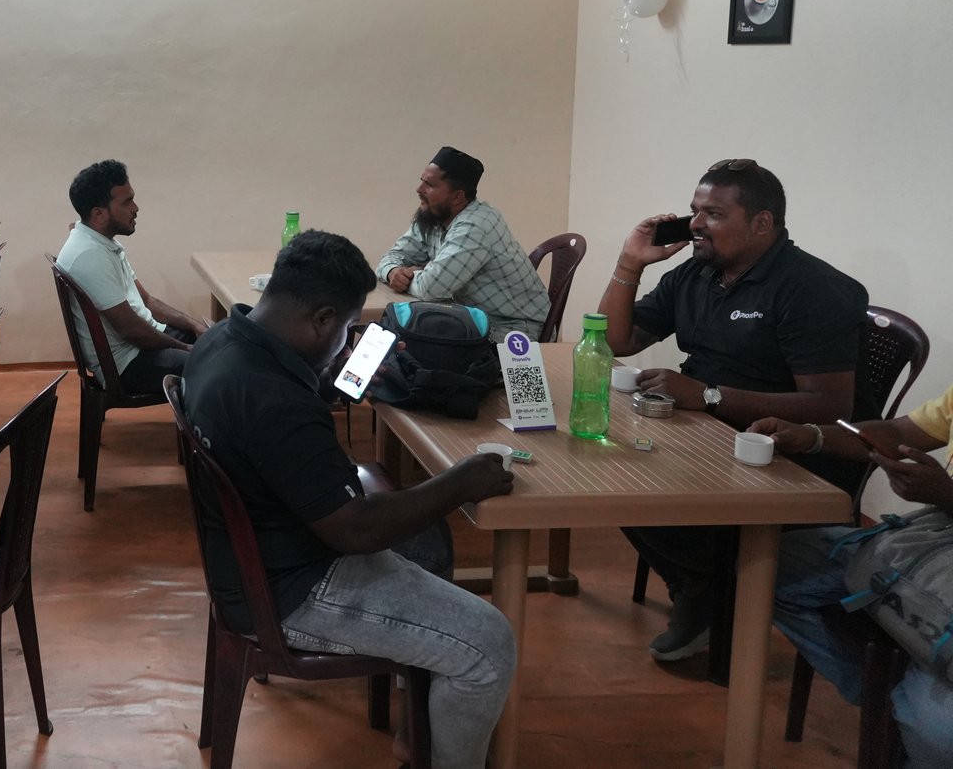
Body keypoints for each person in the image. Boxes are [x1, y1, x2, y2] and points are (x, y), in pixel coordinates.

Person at [184, 229, 517, 769]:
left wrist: (329, 379)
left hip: (254, 557)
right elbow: (355, 529)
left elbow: (274, 438)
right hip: (289, 590)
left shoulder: (224, 341)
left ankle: (419, 729)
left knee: (427, 544)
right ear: (321, 319)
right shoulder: (274, 402)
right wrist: (459, 483)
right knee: (488, 643)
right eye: (344, 327)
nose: (347, 339)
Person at [598, 158, 872, 661]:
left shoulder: (811, 288)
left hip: (780, 451)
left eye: (714, 214)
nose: (696, 224)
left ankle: (708, 591)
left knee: (634, 483)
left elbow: (829, 407)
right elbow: (618, 341)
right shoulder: (698, 273)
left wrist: (708, 395)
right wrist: (629, 264)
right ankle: (703, 586)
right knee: (608, 468)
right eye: (694, 211)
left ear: (761, 223)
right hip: (705, 429)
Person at [753, 393, 953, 767]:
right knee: (767, 564)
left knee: (942, 734)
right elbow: (899, 432)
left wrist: (947, 494)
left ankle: (905, 709)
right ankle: (884, 700)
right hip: (930, 540)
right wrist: (811, 436)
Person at [56, 159, 208, 392]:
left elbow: (147, 301)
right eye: (127, 202)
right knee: (216, 363)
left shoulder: (102, 242)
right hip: (126, 364)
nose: (136, 208)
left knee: (222, 337)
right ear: (99, 214)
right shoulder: (89, 255)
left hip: (143, 343)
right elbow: (132, 331)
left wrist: (194, 325)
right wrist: (186, 349)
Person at [376, 146, 550, 341]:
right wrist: (392, 271)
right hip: (469, 319)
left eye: (429, 185)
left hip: (512, 329)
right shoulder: (433, 216)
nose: (419, 190)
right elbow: (391, 257)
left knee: (409, 342)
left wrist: (409, 277)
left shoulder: (476, 225)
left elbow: (431, 289)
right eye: (422, 181)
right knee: (397, 331)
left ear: (457, 196)